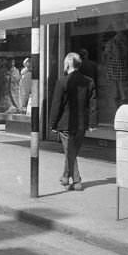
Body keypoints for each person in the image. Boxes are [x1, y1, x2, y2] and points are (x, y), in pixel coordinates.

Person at [50, 52, 98, 191]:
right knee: (72, 152)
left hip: (65, 124)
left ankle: (76, 180)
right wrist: (92, 123)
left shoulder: (62, 81)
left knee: (70, 153)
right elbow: (93, 104)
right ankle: (65, 177)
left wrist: (53, 124)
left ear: (67, 64)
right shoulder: (89, 81)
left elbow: (56, 104)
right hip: (81, 124)